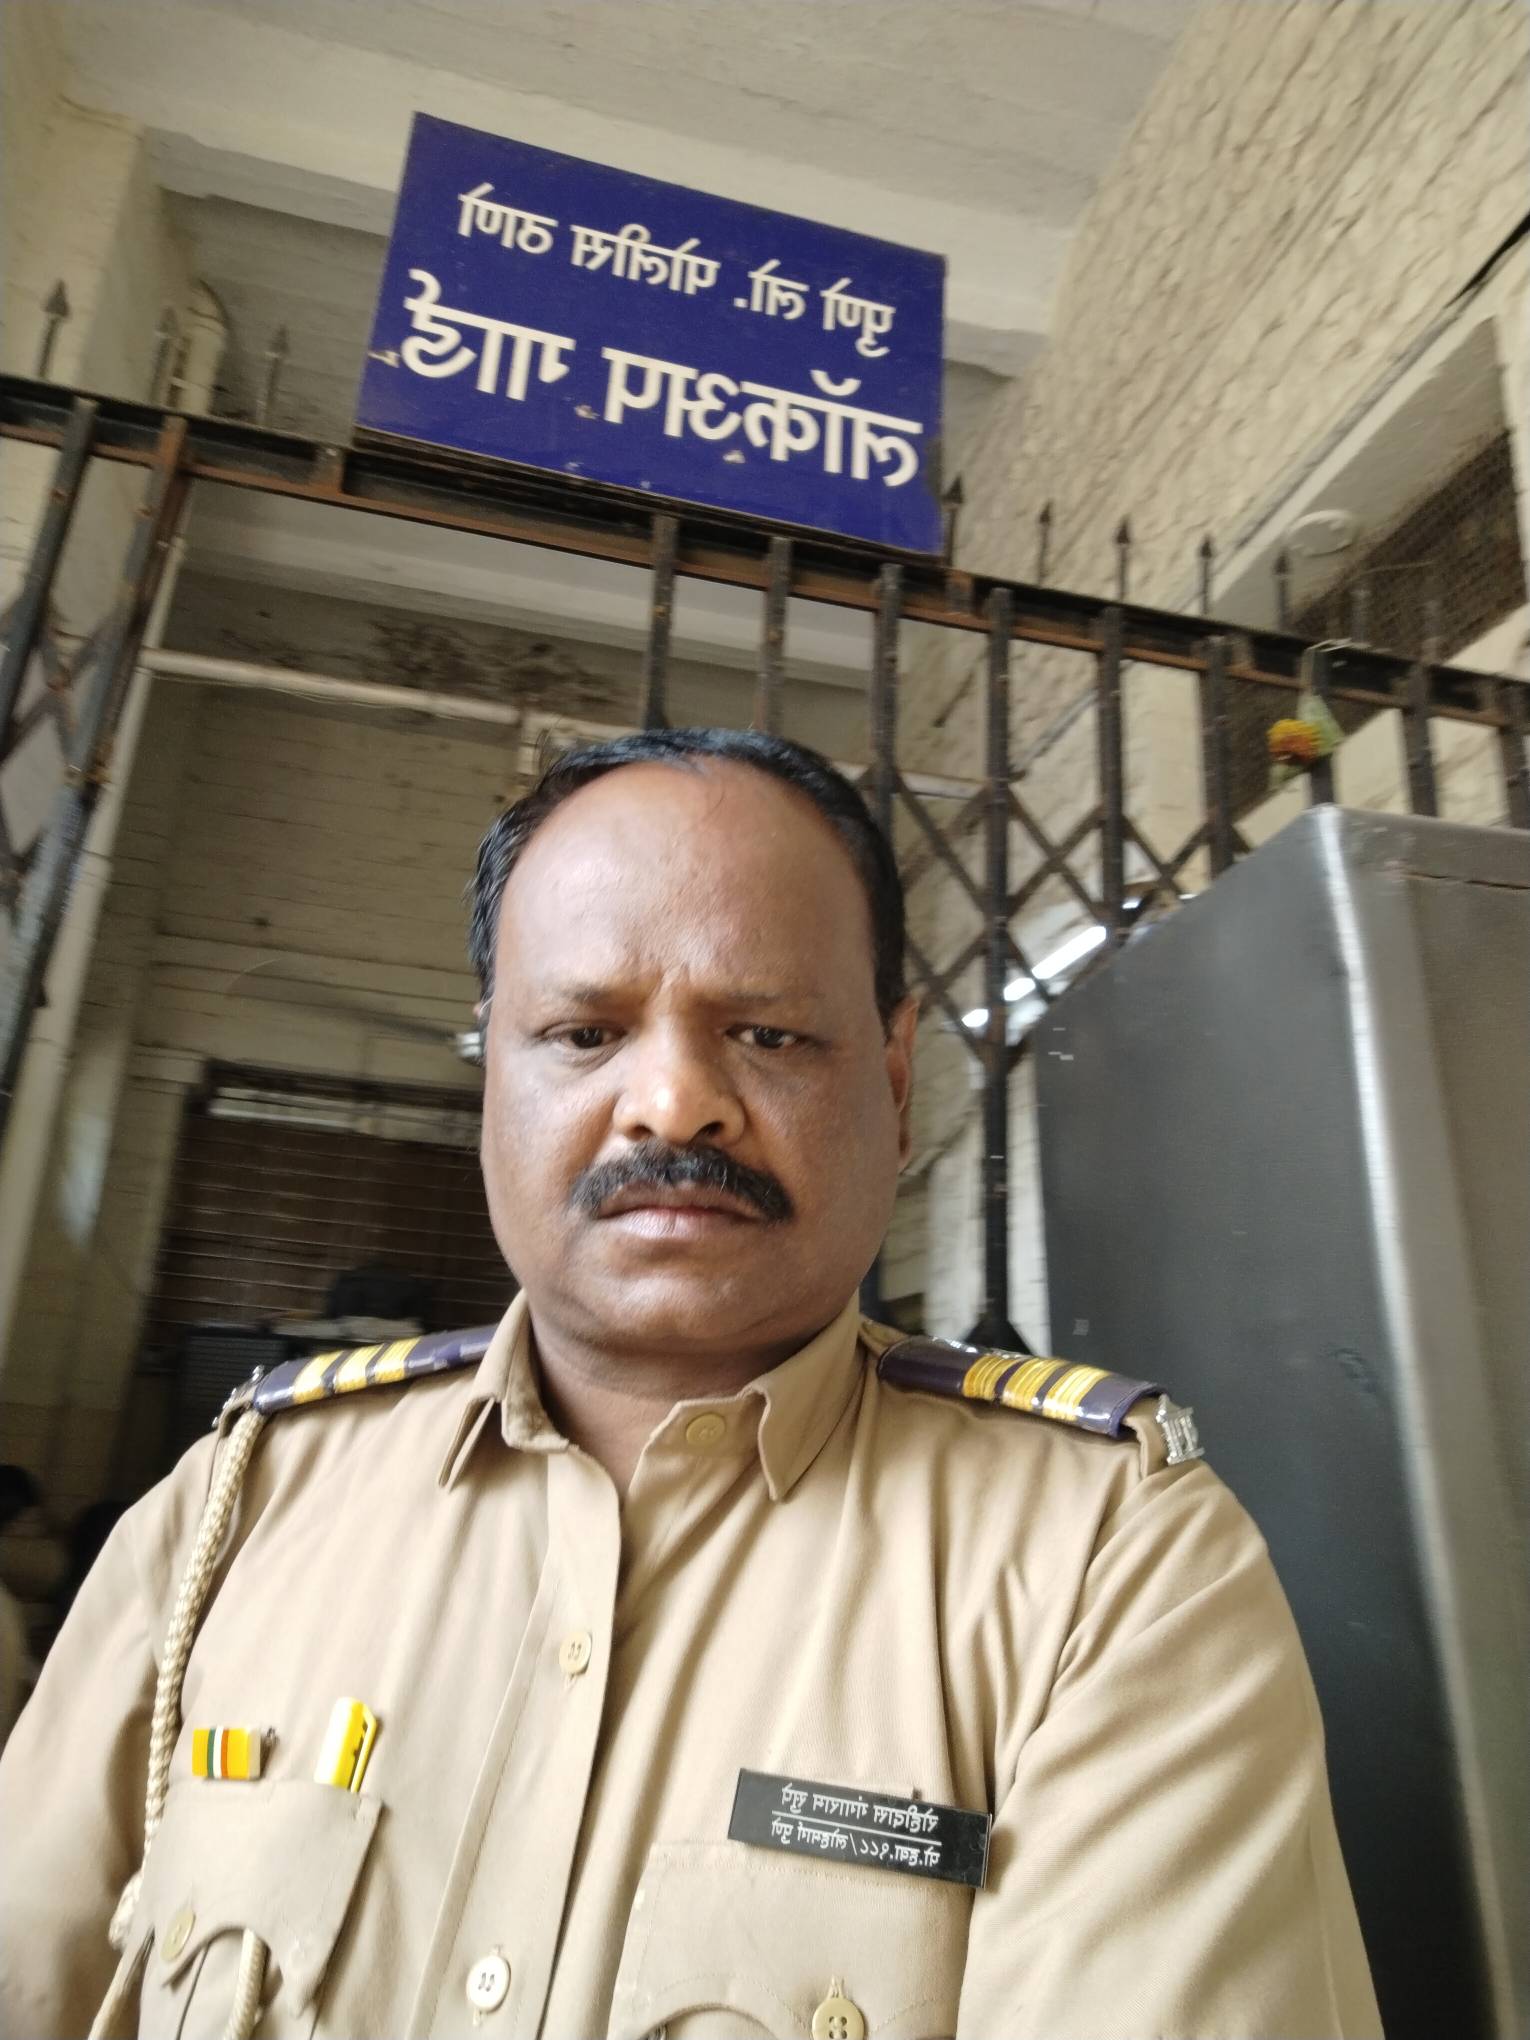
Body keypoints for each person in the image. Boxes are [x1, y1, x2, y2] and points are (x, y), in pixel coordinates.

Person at [0, 728, 1380, 2039]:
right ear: (492, 1078)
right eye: (582, 1034)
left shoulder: (1110, 1566)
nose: (672, 1102)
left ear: (897, 1082)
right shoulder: (230, 1517)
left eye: (767, 1034)